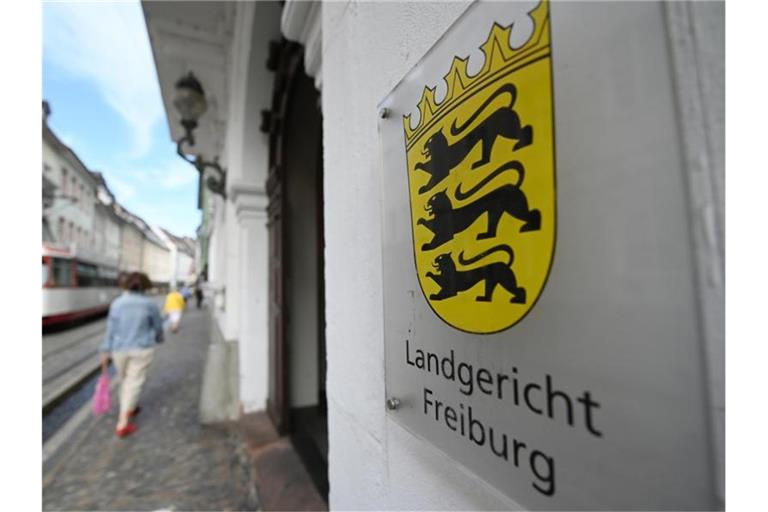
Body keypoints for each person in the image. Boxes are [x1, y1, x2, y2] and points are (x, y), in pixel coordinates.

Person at [99, 272, 163, 438]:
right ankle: (123, 423)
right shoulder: (149, 304)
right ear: (145, 286)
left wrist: (105, 350)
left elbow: (110, 329)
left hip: (119, 350)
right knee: (134, 382)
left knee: (124, 381)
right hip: (141, 349)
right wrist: (159, 338)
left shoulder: (117, 304)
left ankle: (130, 407)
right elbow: (157, 325)